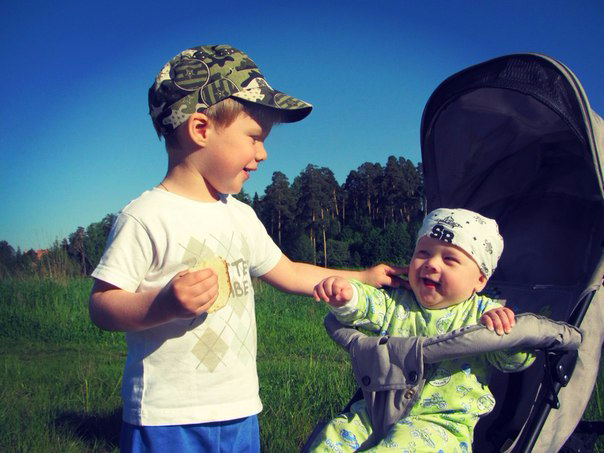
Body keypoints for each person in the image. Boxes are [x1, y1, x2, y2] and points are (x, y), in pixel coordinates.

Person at [88, 44, 404, 452]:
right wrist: (162, 305)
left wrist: (363, 277)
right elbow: (102, 305)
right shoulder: (146, 216)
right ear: (200, 129)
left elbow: (290, 272)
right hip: (166, 416)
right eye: (254, 137)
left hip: (238, 409)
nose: (263, 153)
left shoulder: (240, 216)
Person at [310, 208, 536, 452]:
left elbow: (512, 362)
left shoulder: (483, 313)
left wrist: (506, 333)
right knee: (334, 435)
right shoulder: (398, 302)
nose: (431, 264)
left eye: (449, 259)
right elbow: (369, 304)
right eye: (423, 253)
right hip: (377, 410)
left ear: (479, 280)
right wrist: (347, 295)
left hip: (440, 426)